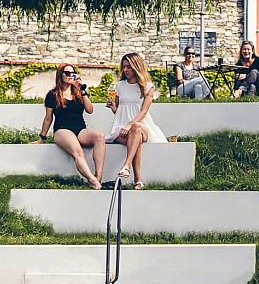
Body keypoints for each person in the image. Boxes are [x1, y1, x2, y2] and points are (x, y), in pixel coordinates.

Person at [32, 64, 105, 189]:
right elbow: (48, 118)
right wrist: (41, 138)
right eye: (66, 73)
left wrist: (82, 90)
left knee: (100, 137)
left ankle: (98, 176)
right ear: (60, 75)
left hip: (80, 129)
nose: (70, 76)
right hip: (62, 130)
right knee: (78, 152)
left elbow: (90, 110)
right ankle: (92, 180)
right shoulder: (52, 94)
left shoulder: (78, 93)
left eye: (72, 73)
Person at [106, 53, 167, 189]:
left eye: (129, 67)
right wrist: (113, 108)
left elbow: (143, 112)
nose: (126, 70)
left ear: (136, 66)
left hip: (142, 126)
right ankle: (138, 179)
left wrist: (129, 125)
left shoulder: (147, 87)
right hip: (122, 129)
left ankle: (126, 165)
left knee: (136, 128)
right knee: (135, 139)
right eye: (124, 67)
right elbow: (120, 111)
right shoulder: (119, 86)